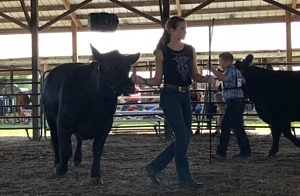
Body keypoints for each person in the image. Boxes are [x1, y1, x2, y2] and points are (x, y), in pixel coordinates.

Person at [131, 16, 214, 188]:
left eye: (185, 28)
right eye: (182, 28)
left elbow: (195, 75)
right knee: (183, 136)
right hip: (169, 96)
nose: (185, 31)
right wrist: (141, 81)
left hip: (185, 95)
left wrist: (207, 79)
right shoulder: (162, 52)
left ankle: (154, 166)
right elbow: (157, 80)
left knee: (184, 137)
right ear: (172, 30)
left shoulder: (190, 49)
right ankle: (184, 179)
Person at [208, 52, 251, 160]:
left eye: (220, 61)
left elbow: (225, 78)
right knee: (238, 127)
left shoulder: (230, 70)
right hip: (238, 101)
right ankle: (245, 151)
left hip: (234, 102)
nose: (219, 64)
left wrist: (212, 69)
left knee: (225, 126)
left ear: (227, 61)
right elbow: (244, 81)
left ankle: (221, 153)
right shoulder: (237, 71)